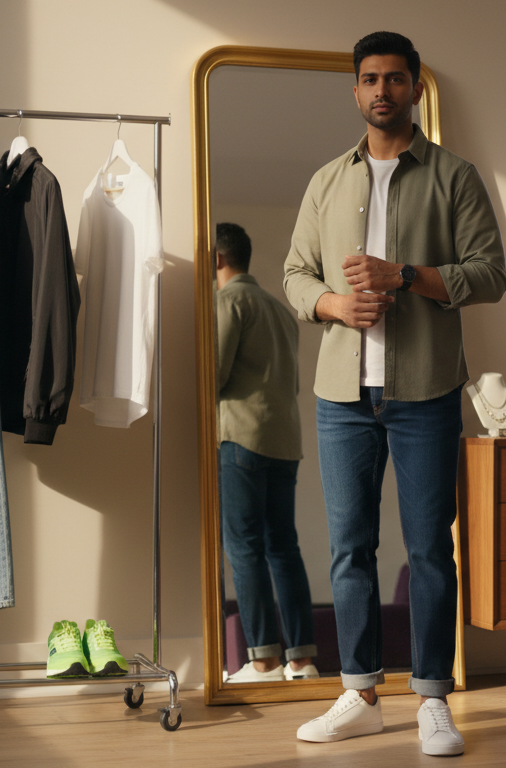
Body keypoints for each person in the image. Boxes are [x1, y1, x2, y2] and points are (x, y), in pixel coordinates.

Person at [283, 31, 506, 757]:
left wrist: (404, 276)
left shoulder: (455, 176)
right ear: (356, 91)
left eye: (396, 79)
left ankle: (433, 701)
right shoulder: (325, 181)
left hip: (426, 393)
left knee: (428, 551)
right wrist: (332, 306)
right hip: (340, 396)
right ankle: (360, 692)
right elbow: (293, 276)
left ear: (415, 88)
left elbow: (490, 274)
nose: (382, 90)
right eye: (370, 79)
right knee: (349, 548)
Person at [215, 222, 318, 683]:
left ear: (217, 259)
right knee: (284, 548)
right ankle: (301, 660)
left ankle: (262, 660)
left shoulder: (229, 301)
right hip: (284, 440)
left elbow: (213, 374)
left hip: (242, 437)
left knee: (245, 548)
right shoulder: (279, 309)